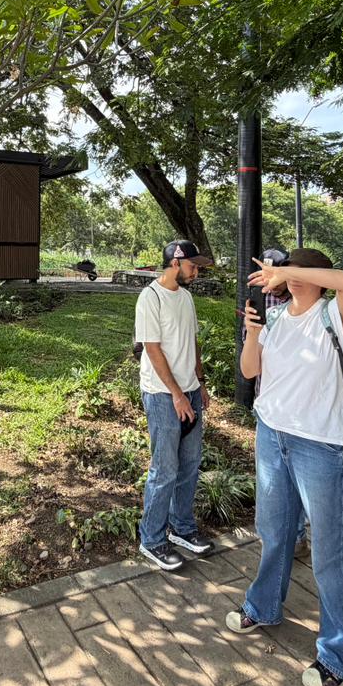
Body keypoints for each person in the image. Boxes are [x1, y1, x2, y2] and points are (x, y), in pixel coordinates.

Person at [226, 247, 343, 686]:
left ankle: (339, 656)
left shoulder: (333, 316)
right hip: (272, 434)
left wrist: (288, 270)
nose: (296, 278)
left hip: (321, 445)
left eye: (305, 271)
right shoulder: (276, 318)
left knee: (330, 553)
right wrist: (252, 333)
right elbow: (250, 370)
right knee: (274, 531)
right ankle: (263, 605)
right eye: (291, 271)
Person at [135, 239, 214, 571]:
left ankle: (181, 528)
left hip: (190, 391)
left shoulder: (187, 297)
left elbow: (192, 342)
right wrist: (177, 394)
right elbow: (152, 350)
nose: (196, 272)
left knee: (190, 464)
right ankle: (152, 539)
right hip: (162, 395)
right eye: (193, 266)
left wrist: (200, 382)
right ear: (175, 263)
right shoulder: (150, 298)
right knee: (165, 469)